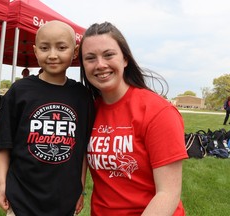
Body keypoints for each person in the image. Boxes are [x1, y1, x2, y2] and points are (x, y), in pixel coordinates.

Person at [79, 22, 188, 216]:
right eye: (90, 58)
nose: (100, 64)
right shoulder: (89, 111)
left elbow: (168, 193)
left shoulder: (158, 111)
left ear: (125, 59)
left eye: (108, 55)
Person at [0, 20, 94, 216]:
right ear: (35, 51)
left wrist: (80, 189)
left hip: (64, 201)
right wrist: (2, 185)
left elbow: (82, 150)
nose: (53, 55)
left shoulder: (82, 96)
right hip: (21, 197)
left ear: (75, 52)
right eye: (45, 48)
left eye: (62, 47)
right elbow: (5, 143)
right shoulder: (19, 91)